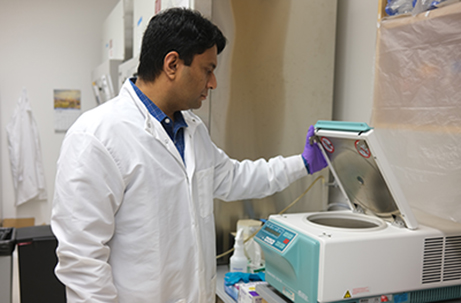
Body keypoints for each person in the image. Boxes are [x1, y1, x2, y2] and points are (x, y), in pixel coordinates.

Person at [51, 8, 327, 303]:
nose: (213, 83)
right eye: (208, 69)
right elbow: (82, 262)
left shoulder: (192, 131)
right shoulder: (96, 137)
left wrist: (303, 163)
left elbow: (236, 178)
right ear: (172, 64)